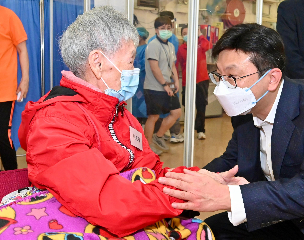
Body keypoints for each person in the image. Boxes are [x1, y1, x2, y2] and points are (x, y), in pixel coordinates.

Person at [17, 7, 213, 238]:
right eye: (130, 60)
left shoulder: (118, 113)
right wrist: (188, 194)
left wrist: (201, 180)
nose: (134, 69)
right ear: (98, 63)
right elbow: (108, 201)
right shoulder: (55, 123)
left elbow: (152, 170)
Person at [158, 23, 304, 239]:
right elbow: (231, 161)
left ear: (272, 78)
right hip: (275, 211)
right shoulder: (244, 107)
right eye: (219, 76)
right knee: (208, 231)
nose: (223, 88)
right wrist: (183, 187)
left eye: (232, 77)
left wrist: (228, 197)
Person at [143, 16, 181, 154]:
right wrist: (165, 84)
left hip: (168, 84)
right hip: (154, 87)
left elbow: (172, 66)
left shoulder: (170, 46)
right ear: (156, 30)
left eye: (168, 28)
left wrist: (175, 81)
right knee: (153, 116)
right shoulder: (153, 45)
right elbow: (154, 68)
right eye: (162, 28)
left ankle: (158, 136)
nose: (166, 31)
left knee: (176, 112)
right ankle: (147, 145)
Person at [0, 6, 29, 170]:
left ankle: (12, 180)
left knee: (3, 136)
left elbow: (22, 49)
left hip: (3, 90)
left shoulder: (9, 16)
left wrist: (25, 79)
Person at [176, 25, 210, 140]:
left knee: (201, 107)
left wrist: (200, 34)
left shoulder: (200, 45)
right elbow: (178, 65)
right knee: (188, 107)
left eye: (188, 33)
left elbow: (208, 45)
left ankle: (200, 130)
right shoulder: (181, 48)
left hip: (201, 80)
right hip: (187, 81)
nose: (186, 35)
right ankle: (187, 130)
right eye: (184, 33)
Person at [132, 27, 149, 125]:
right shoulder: (134, 48)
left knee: (142, 105)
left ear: (141, 37)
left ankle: (142, 125)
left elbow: (143, 65)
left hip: (142, 81)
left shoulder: (146, 49)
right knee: (134, 105)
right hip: (134, 80)